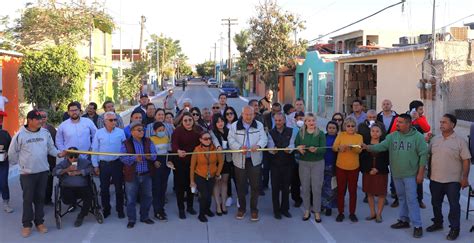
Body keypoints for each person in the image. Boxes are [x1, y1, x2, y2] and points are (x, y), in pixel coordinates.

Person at [364, 114, 428, 238]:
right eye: (397, 121)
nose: (397, 124)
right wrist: (368, 147)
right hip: (397, 174)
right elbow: (381, 146)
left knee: (412, 200)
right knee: (402, 198)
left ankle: (417, 225)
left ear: (409, 124)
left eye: (400, 122)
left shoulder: (418, 137)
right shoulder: (392, 136)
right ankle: (404, 220)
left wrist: (421, 173)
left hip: (410, 175)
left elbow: (423, 155)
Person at [8, 110, 66, 238]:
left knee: (40, 199)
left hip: (43, 171)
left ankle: (39, 222)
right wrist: (21, 165)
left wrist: (59, 154)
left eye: (41, 119)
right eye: (38, 119)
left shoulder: (45, 133)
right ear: (30, 120)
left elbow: (51, 148)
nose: (41, 121)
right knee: (28, 200)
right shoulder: (20, 135)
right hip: (27, 174)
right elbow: (12, 153)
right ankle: (27, 225)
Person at [426, 114, 471, 241]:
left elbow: (466, 160)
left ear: (453, 125)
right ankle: (438, 222)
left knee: (454, 206)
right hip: (435, 179)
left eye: (444, 122)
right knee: (435, 203)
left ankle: (455, 228)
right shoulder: (435, 140)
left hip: (453, 181)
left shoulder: (460, 141)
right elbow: (428, 154)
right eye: (440, 122)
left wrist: (465, 178)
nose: (441, 124)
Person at [228, 106, 268, 221]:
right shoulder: (234, 126)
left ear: (254, 114)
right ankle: (242, 209)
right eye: (246, 114)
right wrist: (240, 147)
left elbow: (264, 139)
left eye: (251, 114)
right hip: (240, 160)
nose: (249, 117)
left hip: (254, 161)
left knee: (255, 186)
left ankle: (254, 210)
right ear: (242, 114)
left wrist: (259, 145)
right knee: (241, 186)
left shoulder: (259, 125)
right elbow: (231, 140)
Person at [120, 121, 157, 229]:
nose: (142, 132)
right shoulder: (126, 143)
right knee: (131, 198)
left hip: (146, 174)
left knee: (148, 196)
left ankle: (144, 217)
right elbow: (122, 158)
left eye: (142, 130)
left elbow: (155, 155)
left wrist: (150, 157)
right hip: (132, 175)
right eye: (139, 130)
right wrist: (134, 158)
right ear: (132, 132)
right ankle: (131, 219)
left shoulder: (149, 141)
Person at [91, 112, 126, 219]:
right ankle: (106, 209)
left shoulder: (120, 132)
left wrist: (124, 164)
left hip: (117, 164)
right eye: (111, 120)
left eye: (115, 120)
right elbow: (95, 150)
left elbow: (125, 149)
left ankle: (120, 209)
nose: (114, 122)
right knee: (104, 189)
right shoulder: (99, 133)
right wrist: (95, 165)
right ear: (105, 122)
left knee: (119, 188)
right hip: (103, 165)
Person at [295, 113, 326, 222]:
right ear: (305, 122)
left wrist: (316, 149)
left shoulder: (320, 134)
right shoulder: (301, 133)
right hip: (304, 163)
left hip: (317, 163)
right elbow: (296, 145)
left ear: (315, 122)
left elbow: (324, 149)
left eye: (313, 120)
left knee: (316, 188)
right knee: (305, 188)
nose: (311, 123)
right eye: (309, 121)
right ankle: (307, 210)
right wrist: (299, 148)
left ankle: (317, 211)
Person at [171, 112, 202, 219]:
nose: (188, 122)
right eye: (185, 120)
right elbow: (174, 144)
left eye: (190, 120)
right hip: (179, 162)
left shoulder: (198, 130)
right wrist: (178, 150)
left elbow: (203, 141)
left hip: (193, 162)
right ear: (182, 122)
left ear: (193, 120)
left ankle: (190, 206)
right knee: (180, 187)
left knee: (191, 185)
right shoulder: (177, 131)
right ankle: (181, 209)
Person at [53, 147, 93, 227]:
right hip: (68, 186)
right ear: (67, 156)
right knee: (67, 199)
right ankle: (73, 204)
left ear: (78, 155)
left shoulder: (84, 162)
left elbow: (91, 168)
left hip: (82, 186)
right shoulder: (63, 163)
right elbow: (54, 172)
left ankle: (81, 216)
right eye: (71, 157)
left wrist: (80, 172)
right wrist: (66, 170)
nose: (73, 159)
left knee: (89, 196)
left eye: (75, 156)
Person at [332, 117, 363, 223]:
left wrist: (353, 148)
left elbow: (359, 150)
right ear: (345, 126)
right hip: (341, 166)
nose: (350, 128)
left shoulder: (359, 136)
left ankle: (352, 213)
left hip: (354, 167)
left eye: (352, 126)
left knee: (353, 191)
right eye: (348, 126)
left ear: (355, 127)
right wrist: (339, 148)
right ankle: (340, 212)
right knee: (340, 191)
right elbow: (334, 147)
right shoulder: (341, 135)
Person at [267, 112, 297, 220]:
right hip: (275, 164)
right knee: (275, 188)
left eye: (280, 120)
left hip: (288, 163)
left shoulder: (291, 131)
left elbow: (293, 143)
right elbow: (270, 145)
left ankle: (285, 209)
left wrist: (290, 149)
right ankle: (276, 210)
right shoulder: (271, 132)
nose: (278, 122)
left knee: (286, 187)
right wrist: (272, 150)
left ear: (284, 120)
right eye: (276, 120)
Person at [190, 131, 224, 222]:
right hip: (200, 175)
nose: (208, 140)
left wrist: (217, 173)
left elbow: (221, 162)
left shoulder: (215, 149)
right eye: (205, 139)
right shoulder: (196, 150)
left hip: (212, 175)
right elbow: (192, 167)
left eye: (210, 138)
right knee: (204, 195)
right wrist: (192, 181)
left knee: (209, 195)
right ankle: (201, 214)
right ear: (200, 140)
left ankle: (207, 210)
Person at [360, 124, 389, 223]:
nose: (375, 133)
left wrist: (378, 169)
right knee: (370, 192)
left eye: (377, 131)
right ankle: (372, 213)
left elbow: (387, 159)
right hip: (368, 172)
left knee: (381, 193)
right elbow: (362, 159)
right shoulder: (365, 144)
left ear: (381, 133)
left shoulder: (385, 144)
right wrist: (369, 169)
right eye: (373, 131)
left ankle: (379, 214)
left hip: (381, 172)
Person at [376, 99, 399, 207]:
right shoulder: (377, 117)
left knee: (394, 169)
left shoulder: (397, 117)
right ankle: (380, 191)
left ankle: (394, 190)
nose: (386, 106)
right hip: (382, 146)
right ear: (382, 106)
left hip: (394, 146)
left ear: (391, 105)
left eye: (388, 104)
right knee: (382, 169)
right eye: (384, 104)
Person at [149, 122, 172, 221]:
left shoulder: (167, 138)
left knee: (163, 188)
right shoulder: (151, 140)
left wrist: (170, 161)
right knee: (157, 188)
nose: (162, 132)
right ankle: (157, 211)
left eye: (163, 130)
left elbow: (169, 151)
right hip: (157, 164)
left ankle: (161, 209)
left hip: (165, 164)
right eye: (159, 131)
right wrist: (154, 161)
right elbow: (150, 153)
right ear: (154, 131)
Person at [210, 114, 232, 215]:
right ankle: (218, 205)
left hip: (227, 160)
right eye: (218, 121)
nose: (220, 123)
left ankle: (223, 204)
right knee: (217, 182)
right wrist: (218, 147)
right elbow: (214, 141)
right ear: (214, 123)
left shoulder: (229, 131)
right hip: (217, 161)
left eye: (222, 121)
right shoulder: (212, 132)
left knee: (225, 182)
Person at [38, 109, 57, 206]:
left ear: (47, 118)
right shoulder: (31, 129)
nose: (42, 119)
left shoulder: (51, 129)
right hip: (37, 161)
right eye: (40, 116)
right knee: (39, 182)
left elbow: (55, 144)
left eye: (44, 117)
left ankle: (48, 199)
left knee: (49, 180)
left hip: (50, 160)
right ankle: (39, 201)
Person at [223, 106, 239, 207]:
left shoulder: (239, 124)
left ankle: (239, 197)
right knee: (227, 177)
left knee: (238, 177)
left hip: (237, 154)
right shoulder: (223, 126)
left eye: (231, 113)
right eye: (227, 114)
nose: (229, 115)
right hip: (227, 155)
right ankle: (229, 196)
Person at [321, 121, 338, 216]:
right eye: (330, 128)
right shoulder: (323, 137)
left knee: (330, 187)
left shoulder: (338, 138)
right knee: (321, 186)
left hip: (333, 165)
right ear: (327, 128)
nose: (331, 130)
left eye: (333, 128)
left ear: (337, 129)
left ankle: (329, 207)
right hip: (321, 164)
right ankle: (321, 205)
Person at [291, 111, 305, 207]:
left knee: (307, 181)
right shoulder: (292, 130)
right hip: (295, 159)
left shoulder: (310, 129)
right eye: (298, 118)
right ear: (295, 120)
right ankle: (297, 199)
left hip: (307, 159)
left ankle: (311, 199)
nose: (300, 120)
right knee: (295, 181)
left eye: (302, 118)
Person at [0, 125, 12, 213]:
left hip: (3, 162)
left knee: (3, 182)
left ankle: (6, 203)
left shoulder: (5, 134)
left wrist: (8, 152)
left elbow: (11, 146)